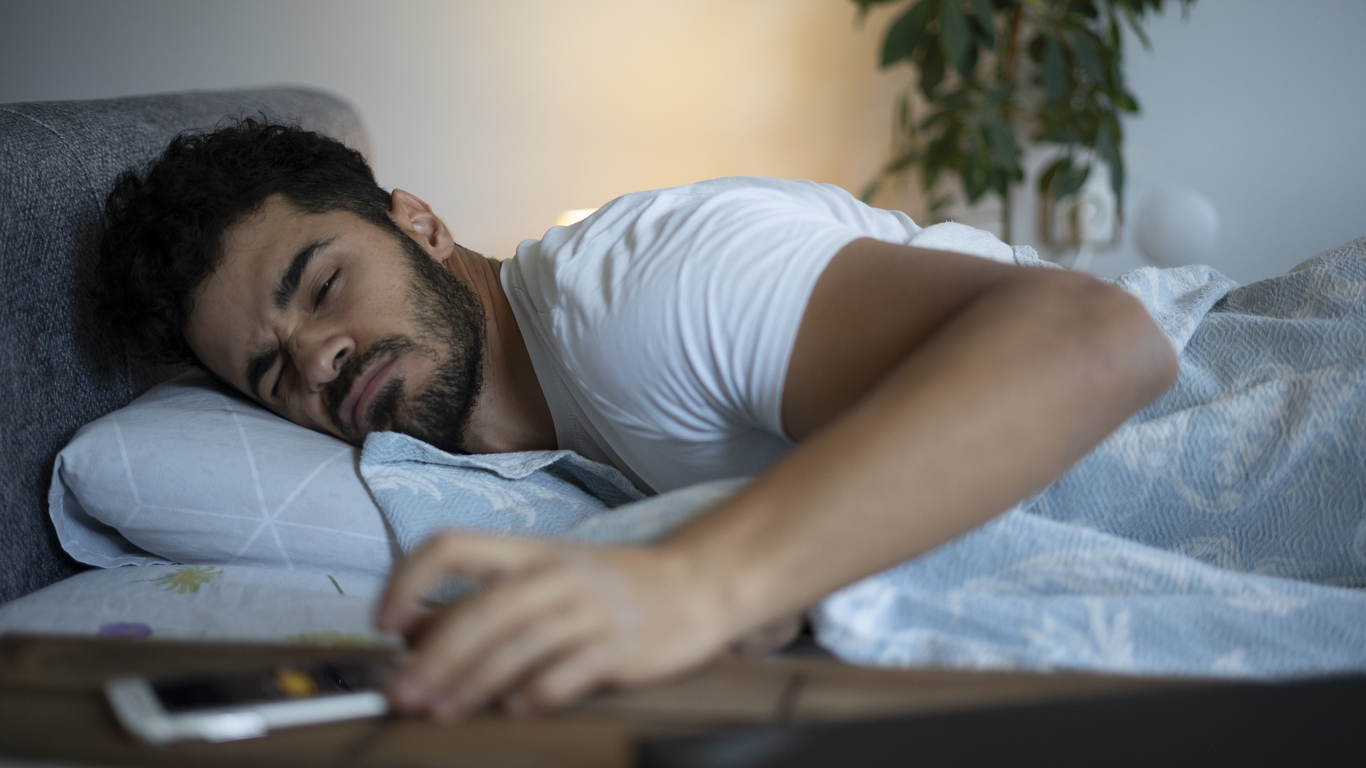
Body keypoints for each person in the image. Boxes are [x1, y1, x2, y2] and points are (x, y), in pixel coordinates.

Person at [96, 120, 1176, 720]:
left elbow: (1098, 339)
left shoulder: (643, 295)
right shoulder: (516, 446)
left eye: (321, 286)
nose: (318, 359)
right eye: (272, 372)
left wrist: (702, 581)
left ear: (417, 223)